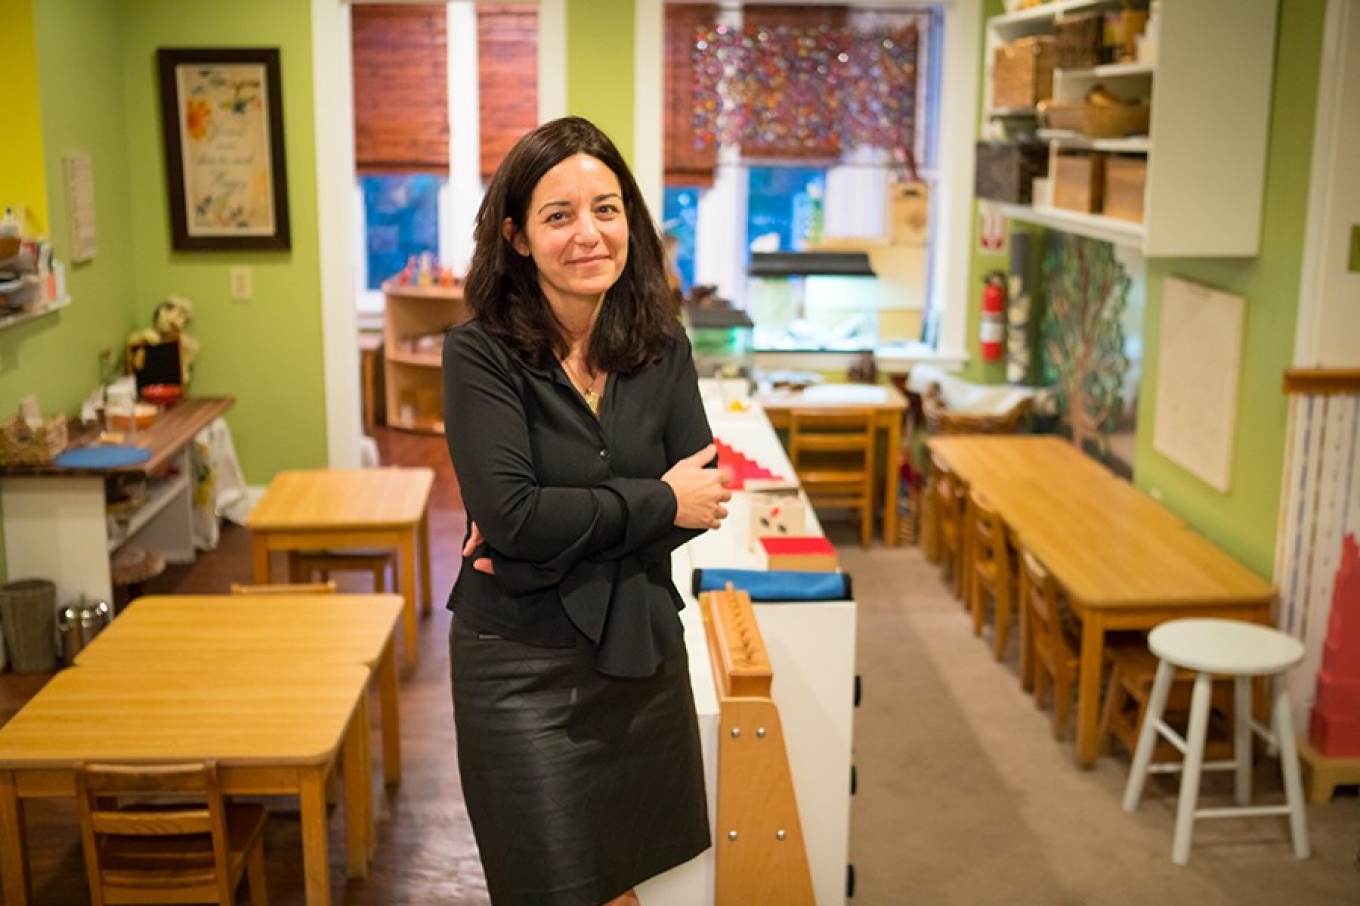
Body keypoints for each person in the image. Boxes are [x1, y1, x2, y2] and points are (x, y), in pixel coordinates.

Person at [441, 115, 732, 906]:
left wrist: (553, 528)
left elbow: (704, 498)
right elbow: (511, 518)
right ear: (518, 236)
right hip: (520, 664)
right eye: (559, 215)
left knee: (619, 886)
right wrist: (654, 501)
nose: (590, 234)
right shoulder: (480, 354)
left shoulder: (661, 343)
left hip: (636, 658)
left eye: (606, 209)